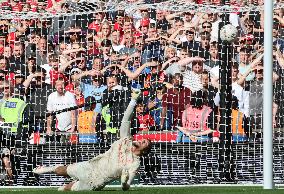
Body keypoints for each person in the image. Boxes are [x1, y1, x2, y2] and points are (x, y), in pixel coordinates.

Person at [33, 90, 152, 191]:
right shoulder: (126, 139)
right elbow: (126, 119)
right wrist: (133, 101)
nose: (141, 140)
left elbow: (126, 187)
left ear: (144, 151)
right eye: (143, 139)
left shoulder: (135, 163)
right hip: (90, 165)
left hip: (96, 181)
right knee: (63, 170)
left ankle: (64, 186)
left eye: (144, 143)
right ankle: (47, 169)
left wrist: (124, 182)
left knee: (67, 189)